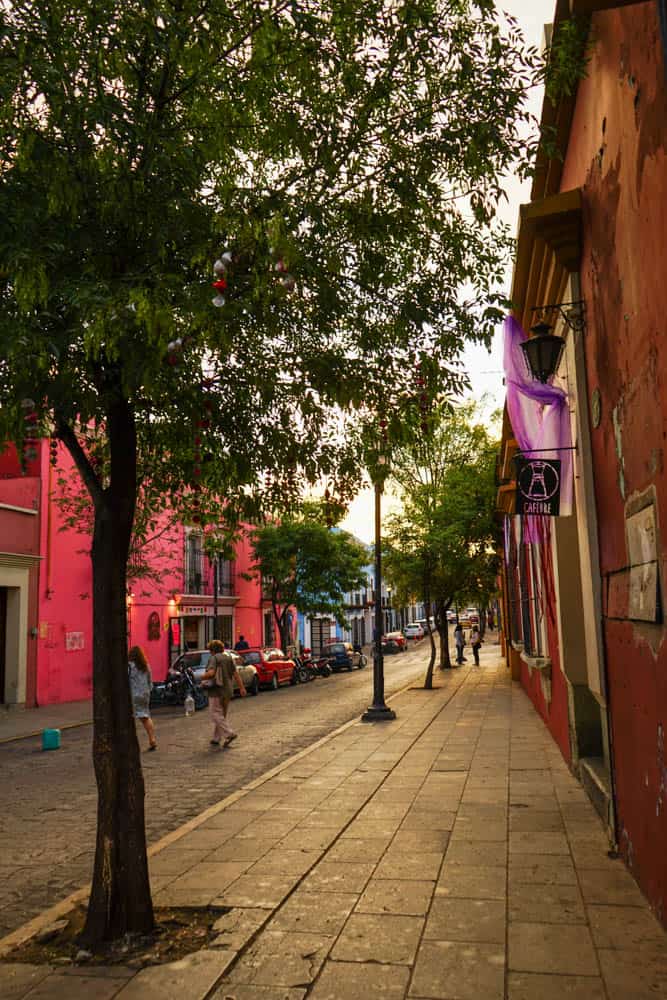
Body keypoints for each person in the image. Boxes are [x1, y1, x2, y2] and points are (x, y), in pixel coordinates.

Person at [201, 639, 247, 748]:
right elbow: (235, 674)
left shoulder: (214, 658)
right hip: (228, 690)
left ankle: (229, 734)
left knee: (215, 714)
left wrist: (201, 677)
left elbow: (211, 673)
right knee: (221, 715)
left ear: (212, 650)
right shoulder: (228, 657)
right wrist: (241, 688)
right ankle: (216, 738)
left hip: (217, 690)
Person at [128, 645, 157, 751]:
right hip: (145, 694)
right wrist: (148, 691)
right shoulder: (146, 665)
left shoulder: (129, 666)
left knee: (129, 717)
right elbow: (150, 681)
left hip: (133, 694)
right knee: (145, 717)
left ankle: (130, 742)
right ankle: (152, 739)